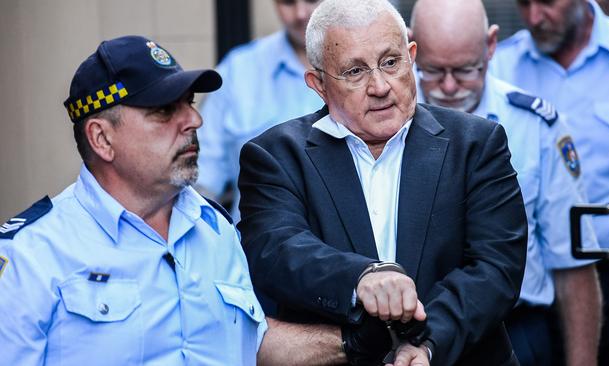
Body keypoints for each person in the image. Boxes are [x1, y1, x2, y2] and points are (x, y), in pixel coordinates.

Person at [0, 35, 373, 366]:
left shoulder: (215, 230)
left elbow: (250, 345)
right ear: (102, 138)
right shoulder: (30, 256)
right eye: (164, 110)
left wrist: (360, 342)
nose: (194, 119)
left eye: (189, 102)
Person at [237, 0, 529, 364]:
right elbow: (277, 250)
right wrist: (360, 279)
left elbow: (495, 267)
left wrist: (427, 343)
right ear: (319, 84)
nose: (379, 86)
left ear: (412, 57)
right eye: (355, 71)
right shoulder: (276, 156)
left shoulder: (475, 144)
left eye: (391, 63)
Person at [410, 1, 602, 365]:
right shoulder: (385, 122)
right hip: (413, 335)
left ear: (491, 45)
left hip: (517, 332)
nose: (449, 86)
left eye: (466, 69)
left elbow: (571, 262)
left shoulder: (534, 126)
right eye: (433, 70)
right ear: (411, 48)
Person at [490, 0, 609, 364]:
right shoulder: (502, 66)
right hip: (538, 284)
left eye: (547, 3)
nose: (535, 17)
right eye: (524, 4)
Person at [197, 0, 324, 222]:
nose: (301, 14)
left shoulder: (378, 69)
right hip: (256, 250)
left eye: (312, 0)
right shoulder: (239, 70)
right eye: (288, 2)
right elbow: (202, 184)